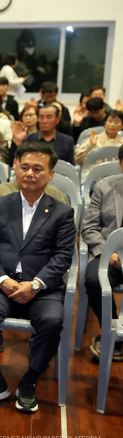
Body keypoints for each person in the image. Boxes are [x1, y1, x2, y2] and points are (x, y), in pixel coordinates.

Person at [0, 142, 75, 414]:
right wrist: (1, 279)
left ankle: (30, 380)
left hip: (42, 289)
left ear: (50, 174)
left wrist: (36, 284)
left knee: (52, 321)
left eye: (38, 169)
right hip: (2, 285)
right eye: (24, 167)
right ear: (15, 168)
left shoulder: (62, 212)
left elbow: (63, 256)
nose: (29, 173)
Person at [81, 145, 123, 362]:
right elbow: (89, 228)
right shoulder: (104, 187)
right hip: (109, 254)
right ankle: (112, 333)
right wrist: (109, 253)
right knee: (95, 281)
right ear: (121, 163)